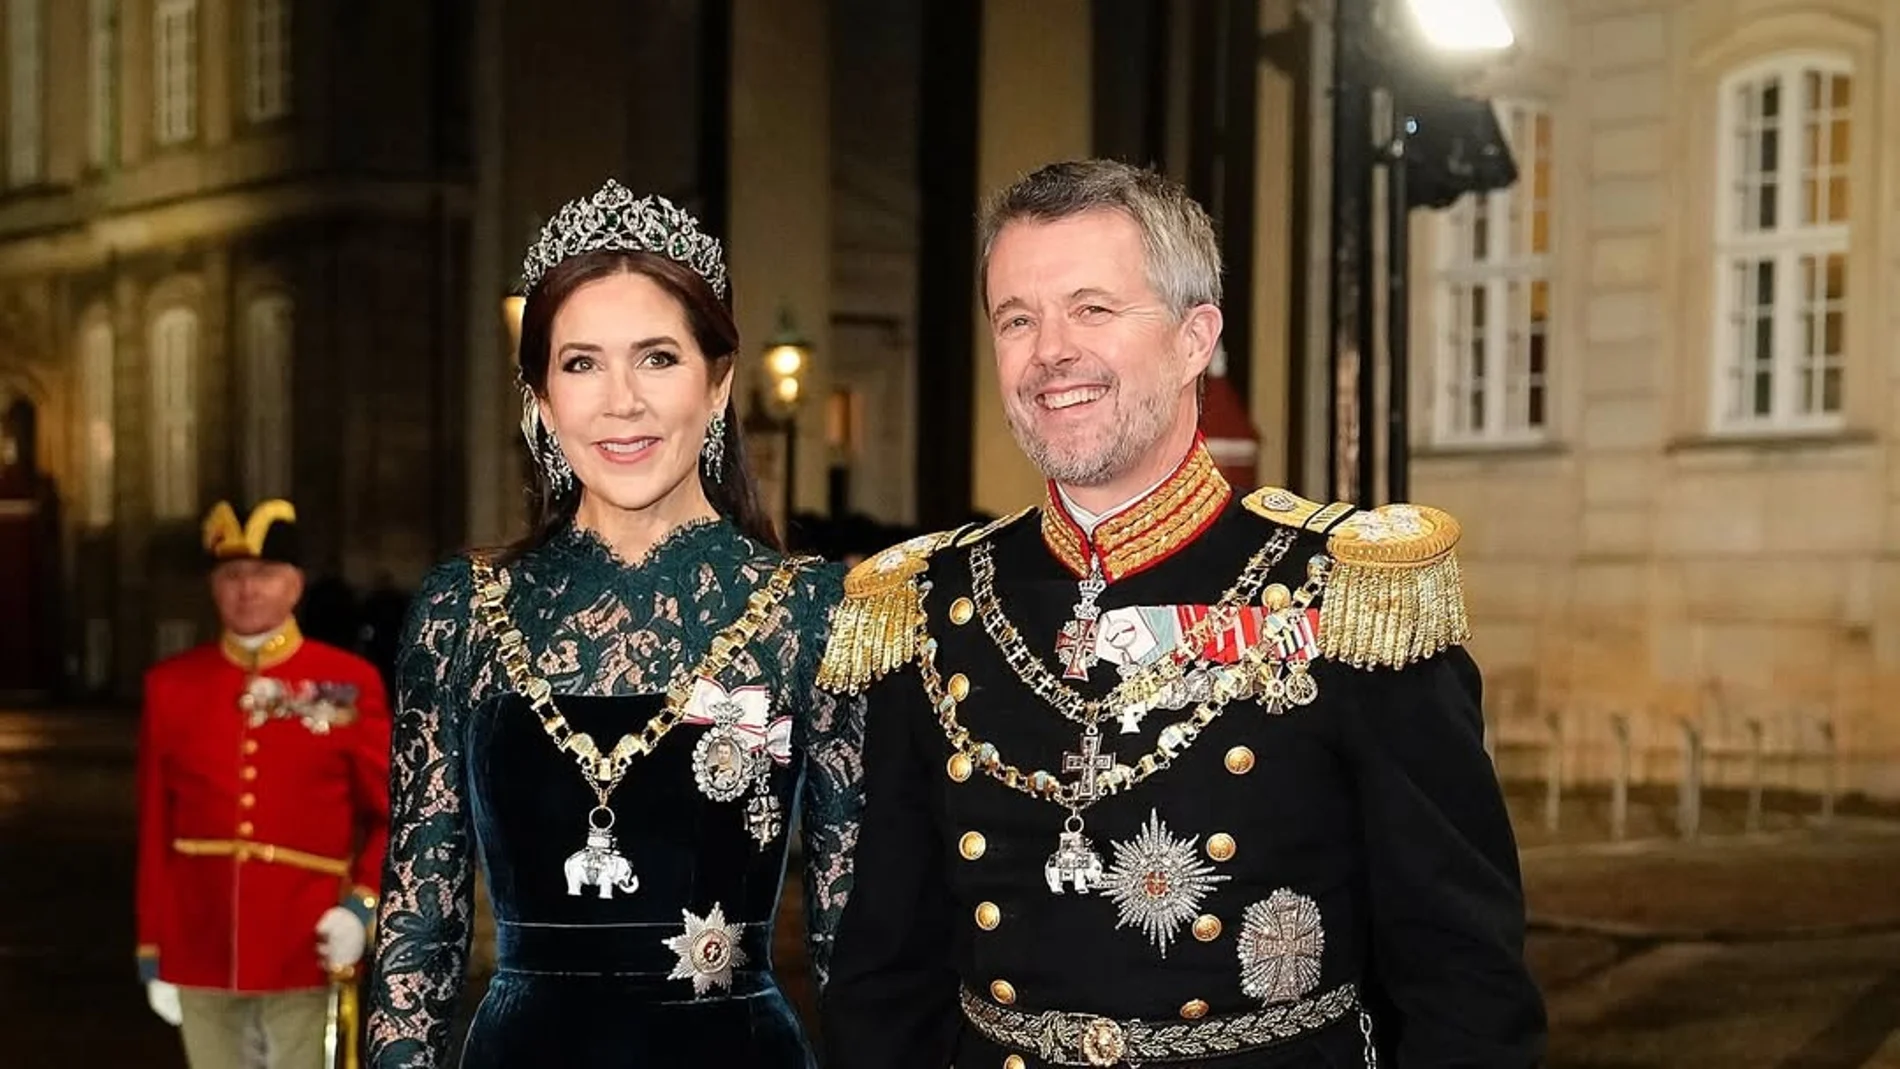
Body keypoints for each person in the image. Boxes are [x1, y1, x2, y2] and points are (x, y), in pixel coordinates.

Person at [818, 159, 1547, 1068]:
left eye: (1093, 308)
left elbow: (1462, 977)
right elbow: (885, 976)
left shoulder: (1351, 590)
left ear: (1194, 336)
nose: (1050, 352)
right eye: (1017, 318)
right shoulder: (930, 604)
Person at [363, 179, 863, 1068]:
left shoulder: (811, 609)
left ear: (718, 384)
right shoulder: (462, 611)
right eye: (582, 362)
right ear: (542, 400)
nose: (620, 401)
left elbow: (852, 942)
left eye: (658, 358)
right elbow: (418, 934)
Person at [136, 498, 392, 1069]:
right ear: (213, 587)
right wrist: (153, 949)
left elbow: (388, 813)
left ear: (295, 585)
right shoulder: (172, 687)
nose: (247, 589)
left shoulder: (343, 684)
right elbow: (156, 826)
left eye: (264, 575)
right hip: (198, 945)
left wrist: (361, 906)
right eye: (232, 575)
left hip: (304, 942)